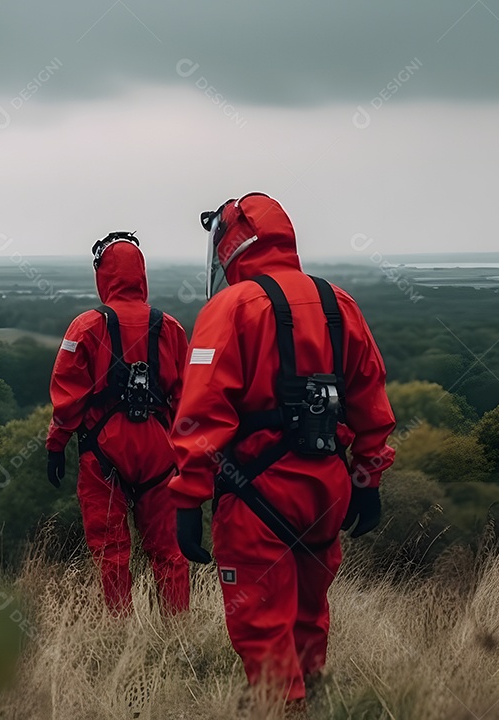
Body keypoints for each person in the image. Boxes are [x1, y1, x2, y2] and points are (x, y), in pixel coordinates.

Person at [168, 193, 396, 704]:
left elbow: (201, 413)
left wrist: (187, 497)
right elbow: (371, 402)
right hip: (328, 491)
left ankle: (285, 712)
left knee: (264, 634)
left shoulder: (230, 308)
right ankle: (313, 702)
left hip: (257, 497)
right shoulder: (340, 304)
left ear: (230, 244)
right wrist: (369, 479)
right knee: (308, 622)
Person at [46, 231, 191, 615]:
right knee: (169, 551)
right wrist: (187, 453)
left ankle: (119, 632)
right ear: (141, 274)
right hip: (160, 451)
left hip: (103, 451)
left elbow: (67, 395)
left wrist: (56, 445)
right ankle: (177, 632)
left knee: (111, 550)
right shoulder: (171, 328)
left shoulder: (86, 327)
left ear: (103, 274)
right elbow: (187, 397)